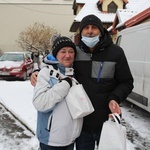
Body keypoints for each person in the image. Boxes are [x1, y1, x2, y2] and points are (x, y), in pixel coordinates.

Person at [31, 14, 134, 150]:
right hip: (81, 125)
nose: (90, 31)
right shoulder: (74, 52)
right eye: (86, 28)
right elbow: (55, 61)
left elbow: (126, 82)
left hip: (106, 121)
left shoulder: (116, 53)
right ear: (81, 32)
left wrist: (115, 98)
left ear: (101, 31)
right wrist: (38, 71)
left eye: (94, 28)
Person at [32, 36, 83, 150]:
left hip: (70, 139)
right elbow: (40, 103)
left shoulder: (76, 73)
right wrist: (65, 85)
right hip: (51, 141)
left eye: (71, 51)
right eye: (63, 51)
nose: (67, 55)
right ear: (55, 54)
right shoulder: (46, 73)